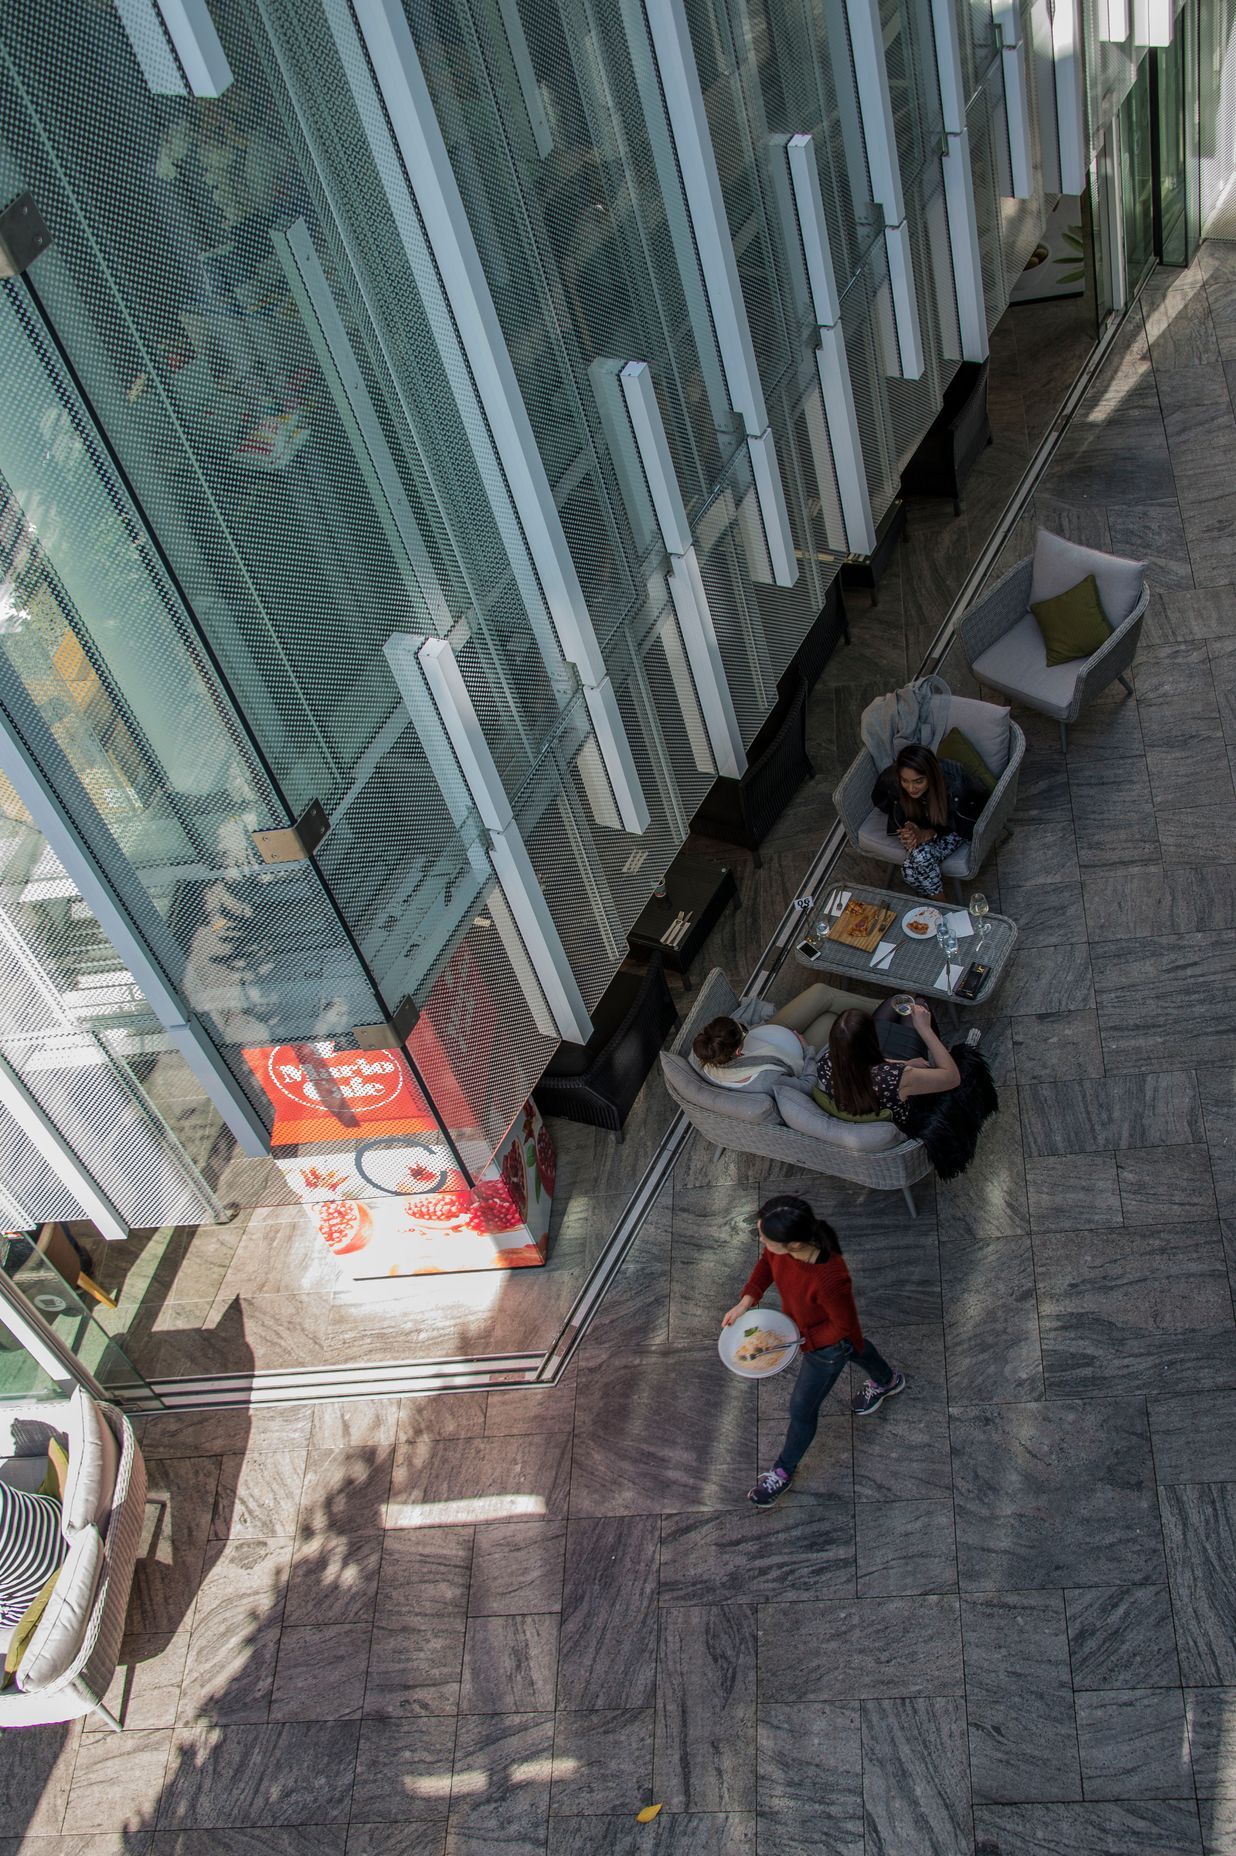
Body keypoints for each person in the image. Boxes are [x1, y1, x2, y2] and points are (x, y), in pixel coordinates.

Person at [722, 1196, 903, 1507]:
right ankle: (888, 1381)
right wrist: (747, 1300)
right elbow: (767, 1262)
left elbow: (843, 1325)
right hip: (811, 1333)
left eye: (765, 1235)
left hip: (825, 1347)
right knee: (856, 1348)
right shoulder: (785, 1247)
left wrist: (799, 1341)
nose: (760, 1238)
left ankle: (783, 1470)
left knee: (802, 1410)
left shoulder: (829, 1278)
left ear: (793, 1244)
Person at [692, 982, 878, 1094]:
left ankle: (888, 1006)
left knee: (821, 992)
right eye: (743, 1031)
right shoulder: (766, 1079)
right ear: (739, 1050)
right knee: (832, 1019)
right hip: (799, 1055)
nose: (744, 1027)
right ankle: (890, 1014)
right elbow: (807, 1086)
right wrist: (807, 1050)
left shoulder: (705, 1048)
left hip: (773, 1034)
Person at [815, 1002, 959, 1130]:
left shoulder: (826, 1061)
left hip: (868, 1099)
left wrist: (904, 1063)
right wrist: (925, 1029)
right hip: (903, 1114)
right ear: (873, 1038)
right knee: (917, 1004)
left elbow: (862, 1065)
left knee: (896, 1001)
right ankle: (940, 1048)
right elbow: (953, 1078)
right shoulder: (898, 1077)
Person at [871, 743, 988, 900]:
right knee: (911, 870)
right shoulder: (892, 778)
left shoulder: (956, 782)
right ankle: (941, 906)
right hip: (921, 825)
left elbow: (972, 814)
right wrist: (908, 827)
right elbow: (882, 801)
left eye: (918, 781)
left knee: (913, 866)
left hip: (954, 828)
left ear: (931, 776)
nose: (911, 788)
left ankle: (942, 904)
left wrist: (930, 833)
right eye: (905, 781)